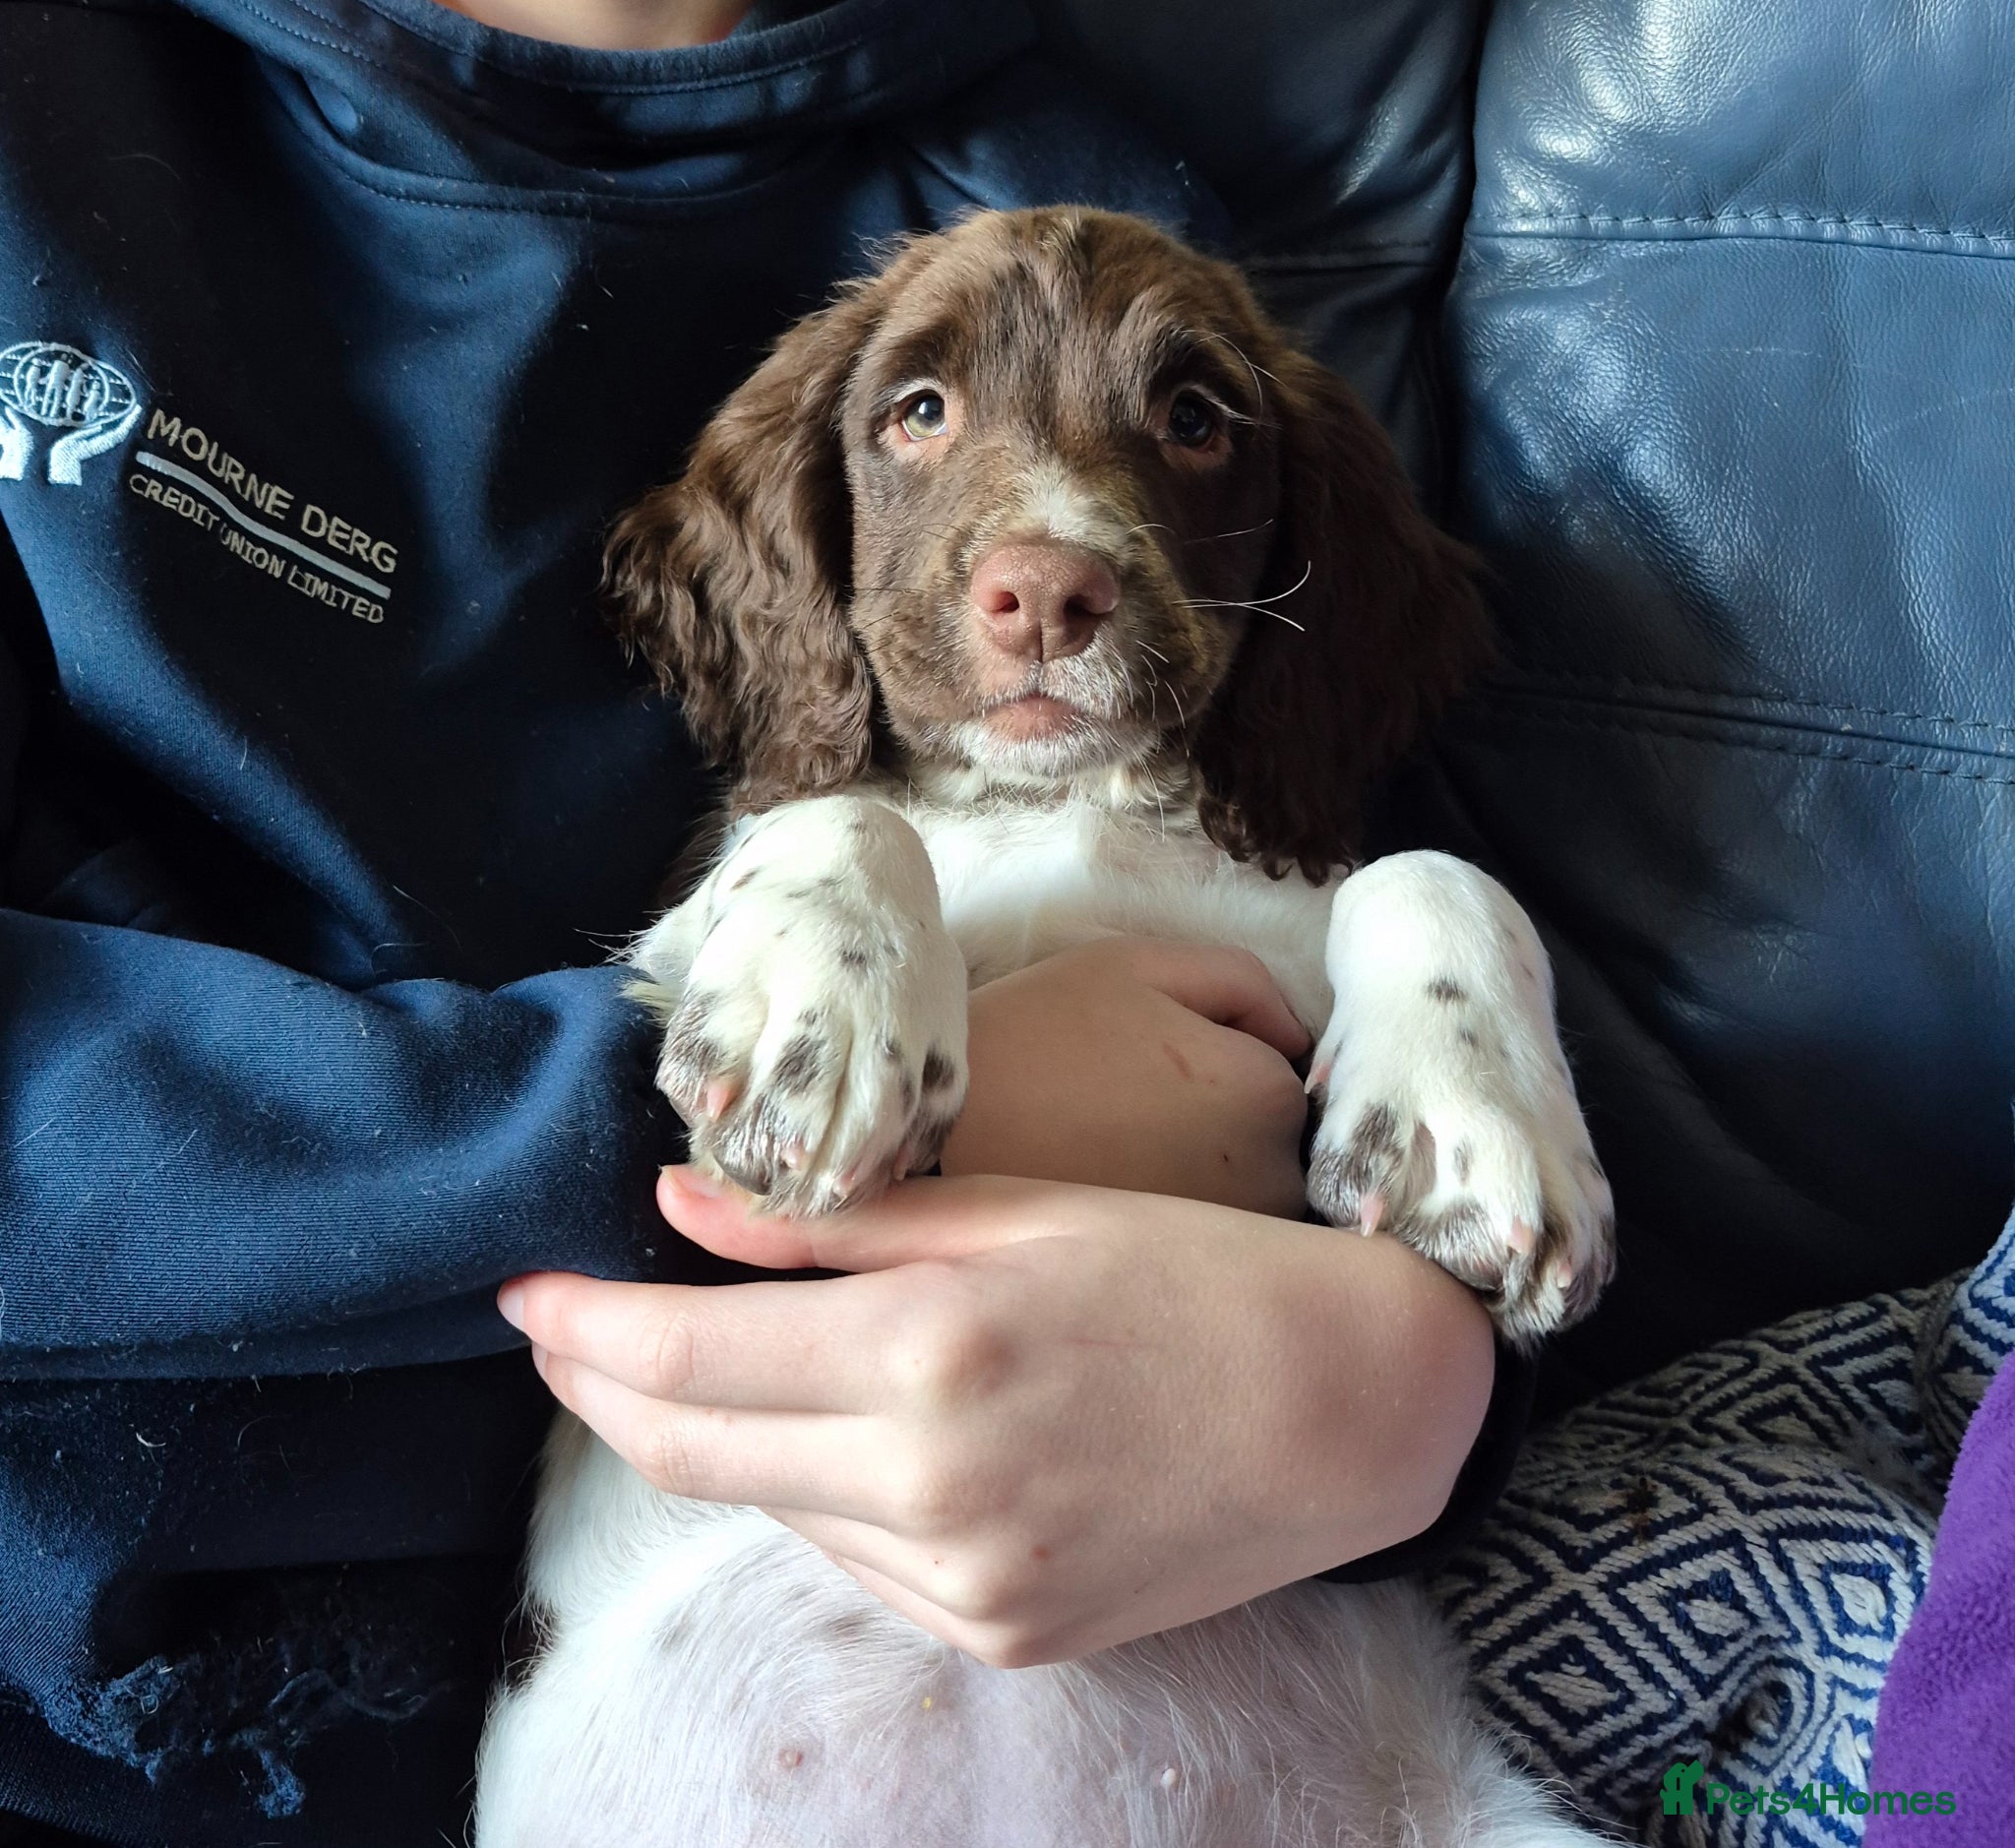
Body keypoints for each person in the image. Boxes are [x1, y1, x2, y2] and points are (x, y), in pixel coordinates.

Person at [0, 0, 1521, 1840]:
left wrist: (1423, 1392)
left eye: (1179, 423)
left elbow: (1397, 1091)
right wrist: (672, 1114)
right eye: (931, 416)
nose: (1036, 549)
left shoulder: (1076, 183)